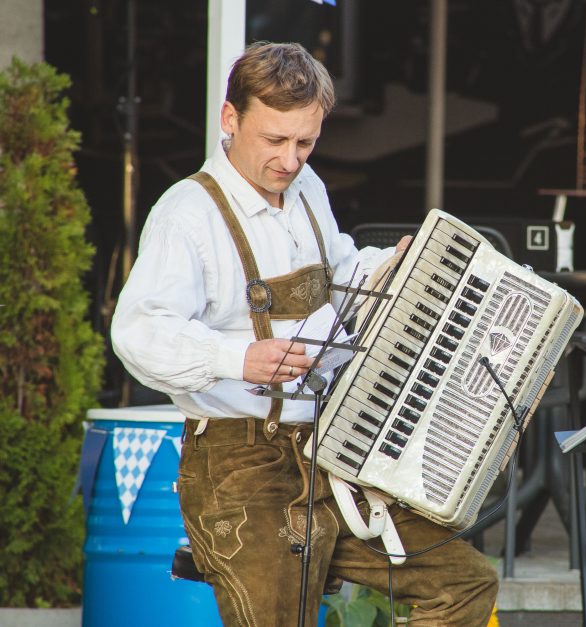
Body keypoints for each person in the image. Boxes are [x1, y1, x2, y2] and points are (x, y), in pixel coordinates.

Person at [112, 41, 498, 627]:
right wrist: (237, 357)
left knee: (464, 584)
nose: (291, 160)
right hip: (239, 466)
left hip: (329, 450)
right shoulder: (186, 212)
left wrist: (389, 266)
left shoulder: (307, 189)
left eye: (305, 142)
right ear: (230, 119)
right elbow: (136, 332)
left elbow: (339, 273)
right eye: (274, 140)